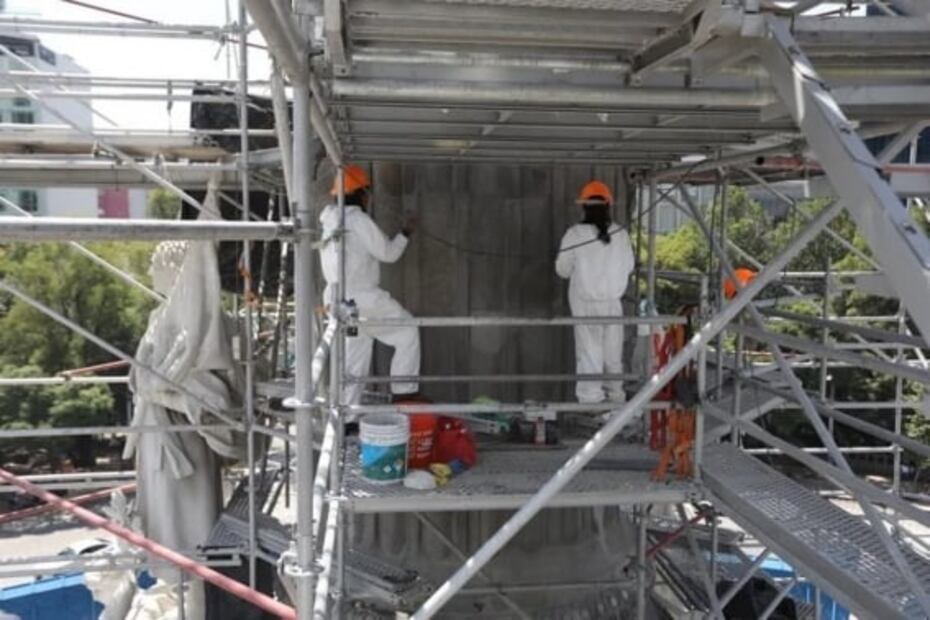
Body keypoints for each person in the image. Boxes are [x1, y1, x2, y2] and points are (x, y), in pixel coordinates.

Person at [319, 164, 421, 405]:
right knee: (407, 331)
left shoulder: (330, 221)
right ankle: (404, 394)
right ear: (363, 194)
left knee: (355, 357)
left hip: (340, 302)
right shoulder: (357, 219)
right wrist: (405, 232)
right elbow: (387, 253)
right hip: (362, 299)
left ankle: (347, 417)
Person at [556, 180, 635, 404]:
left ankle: (591, 404)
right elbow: (629, 267)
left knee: (589, 353)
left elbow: (562, 270)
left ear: (584, 207)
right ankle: (616, 399)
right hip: (613, 303)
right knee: (613, 353)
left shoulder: (574, 235)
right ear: (608, 205)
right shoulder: (621, 234)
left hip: (585, 302)